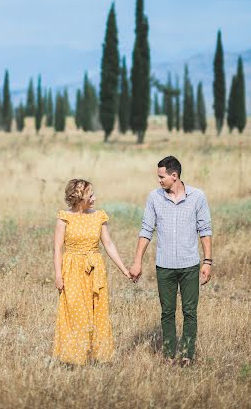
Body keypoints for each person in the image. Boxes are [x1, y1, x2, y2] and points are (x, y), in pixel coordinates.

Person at [129, 156, 212, 366]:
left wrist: (207, 261)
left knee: (189, 312)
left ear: (174, 176)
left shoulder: (197, 197)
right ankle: (168, 355)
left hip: (190, 265)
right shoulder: (155, 198)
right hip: (164, 266)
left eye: (161, 176)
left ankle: (186, 355)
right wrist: (137, 261)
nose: (159, 181)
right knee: (167, 312)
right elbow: (146, 230)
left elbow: (205, 230)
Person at [53, 178, 131, 365]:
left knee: (98, 313)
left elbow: (109, 245)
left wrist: (125, 270)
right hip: (72, 269)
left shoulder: (98, 216)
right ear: (80, 197)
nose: (94, 198)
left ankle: (96, 357)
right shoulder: (64, 218)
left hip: (95, 269)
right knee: (76, 313)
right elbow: (58, 249)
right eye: (90, 195)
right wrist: (58, 275)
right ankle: (74, 358)